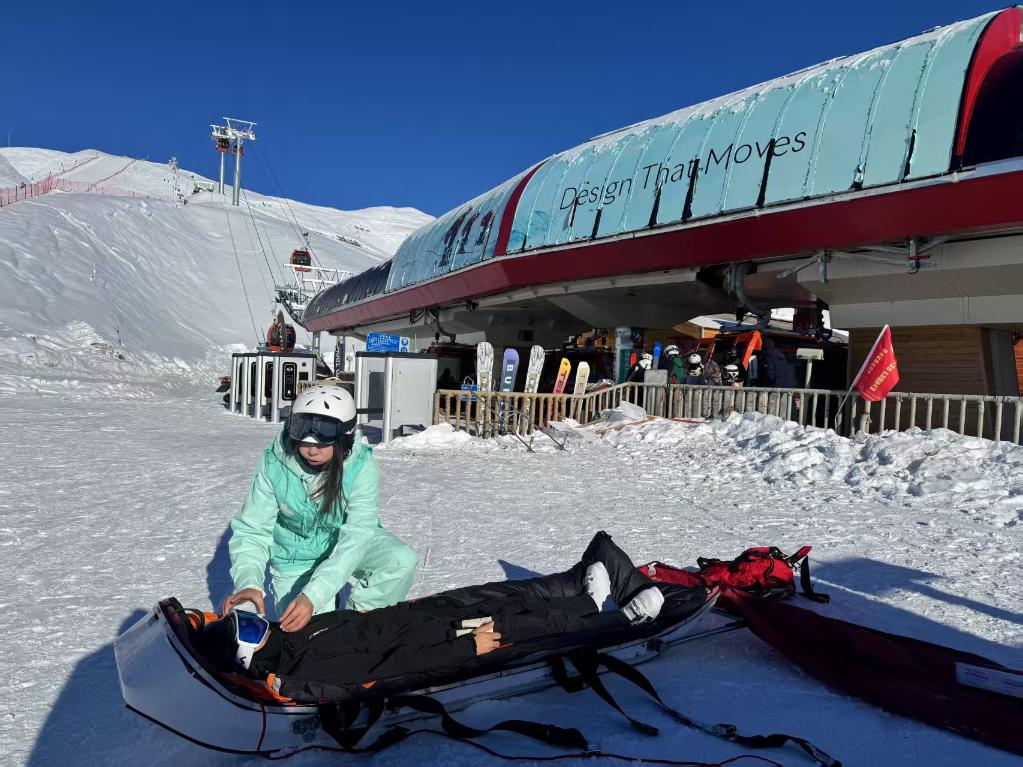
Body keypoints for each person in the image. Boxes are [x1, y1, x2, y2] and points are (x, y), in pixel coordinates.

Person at [198, 532, 666, 700]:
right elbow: (388, 666)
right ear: (250, 660)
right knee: (528, 625)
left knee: (508, 598)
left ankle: (585, 596)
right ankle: (622, 619)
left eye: (252, 618)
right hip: (438, 641)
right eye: (254, 631)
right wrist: (463, 646)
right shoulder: (305, 666)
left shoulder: (296, 634)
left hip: (420, 616)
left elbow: (369, 624)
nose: (265, 624)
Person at [220, 384, 418, 633]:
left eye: (323, 444)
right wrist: (249, 582)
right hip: (296, 558)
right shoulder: (275, 462)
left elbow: (357, 535)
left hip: (343, 542)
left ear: (344, 440)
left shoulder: (360, 465)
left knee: (400, 561)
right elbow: (252, 529)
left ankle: (355, 628)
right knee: (310, 638)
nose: (312, 450)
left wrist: (315, 594)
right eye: (304, 441)